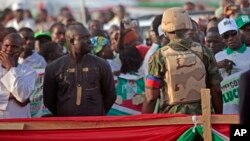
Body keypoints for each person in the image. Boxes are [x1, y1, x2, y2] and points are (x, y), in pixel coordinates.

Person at [142, 7, 223, 115]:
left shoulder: (159, 56)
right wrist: (218, 118)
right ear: (188, 28)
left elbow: (151, 97)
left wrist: (144, 124)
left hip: (172, 122)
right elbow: (216, 90)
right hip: (203, 120)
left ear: (165, 31)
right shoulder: (205, 51)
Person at [43, 22, 116, 116]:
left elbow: (110, 96)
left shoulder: (101, 65)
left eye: (88, 37)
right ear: (72, 41)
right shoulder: (53, 68)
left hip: (94, 125)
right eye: (84, 38)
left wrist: (96, 113)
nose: (89, 41)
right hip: (67, 126)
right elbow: (49, 101)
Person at [216, 18, 250, 114]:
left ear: (239, 33)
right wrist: (217, 65)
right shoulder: (218, 57)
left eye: (233, 34)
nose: (230, 38)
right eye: (226, 36)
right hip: (228, 110)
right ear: (222, 39)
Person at [0, 33, 36, 118]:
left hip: (20, 121)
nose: (9, 49)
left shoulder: (29, 71)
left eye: (14, 46)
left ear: (21, 50)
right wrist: (10, 96)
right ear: (1, 47)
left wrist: (10, 68)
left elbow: (22, 96)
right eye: (6, 45)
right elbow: (22, 98)